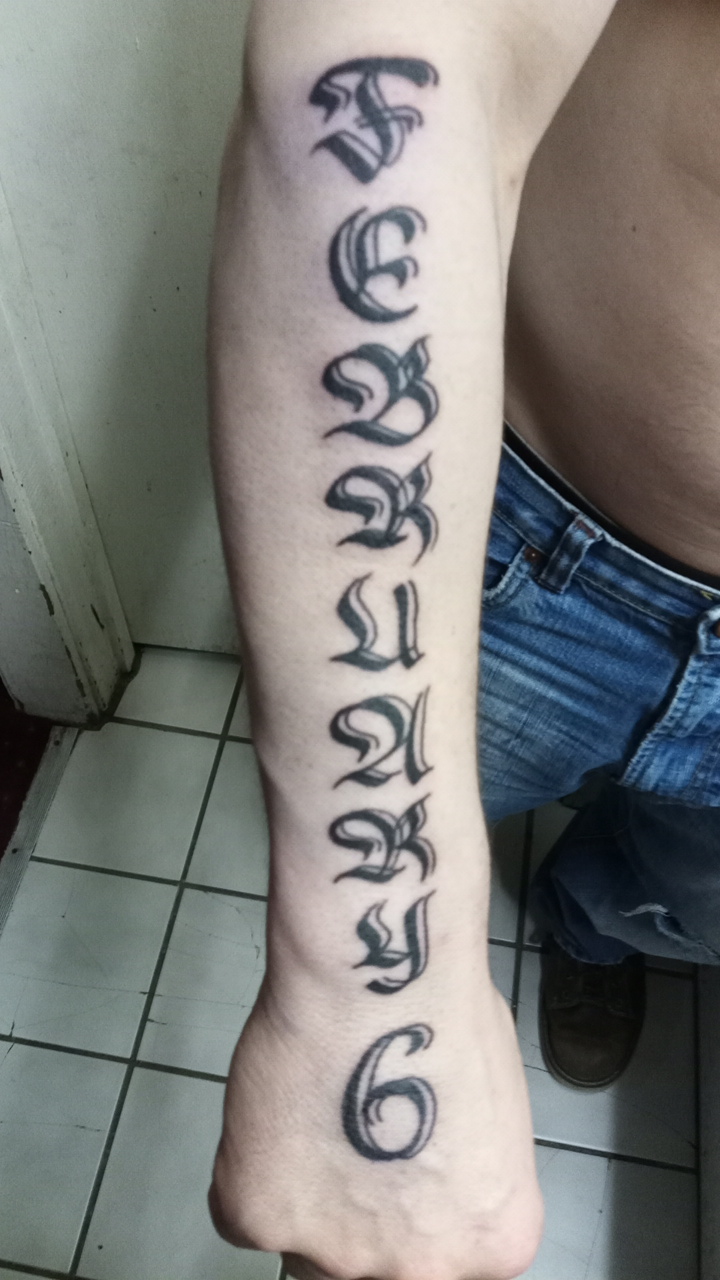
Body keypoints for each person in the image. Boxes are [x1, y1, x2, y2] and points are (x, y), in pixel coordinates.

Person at [205, 1, 719, 1276]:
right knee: (462, 799)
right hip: (534, 558)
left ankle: (592, 925)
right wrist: (370, 988)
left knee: (685, 893)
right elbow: (400, 43)